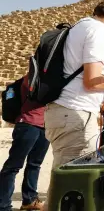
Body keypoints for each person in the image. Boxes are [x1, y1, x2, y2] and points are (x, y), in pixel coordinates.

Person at [43, 0, 104, 210]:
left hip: (65, 113)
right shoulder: (98, 30)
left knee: (62, 187)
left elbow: (90, 73)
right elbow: (92, 81)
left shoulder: (81, 26)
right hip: (76, 115)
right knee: (73, 191)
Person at [0, 75, 49, 211]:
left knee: (35, 165)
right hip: (28, 124)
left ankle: (29, 200)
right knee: (13, 166)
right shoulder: (32, 76)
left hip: (45, 125)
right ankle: (3, 205)